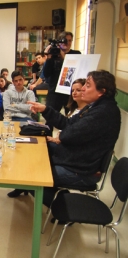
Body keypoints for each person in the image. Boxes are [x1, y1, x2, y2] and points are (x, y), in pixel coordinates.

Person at [8, 70, 121, 201]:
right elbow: (67, 124)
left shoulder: (103, 112)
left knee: (34, 176)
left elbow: (67, 134)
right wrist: (45, 109)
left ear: (102, 91)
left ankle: (63, 207)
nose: (83, 88)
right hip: (77, 158)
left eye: (88, 85)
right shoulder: (94, 107)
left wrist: (61, 136)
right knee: (36, 147)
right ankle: (35, 189)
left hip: (83, 169)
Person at [46, 78, 87, 145]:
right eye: (73, 90)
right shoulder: (72, 109)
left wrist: (58, 139)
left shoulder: (87, 111)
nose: (74, 93)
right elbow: (65, 127)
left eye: (78, 90)